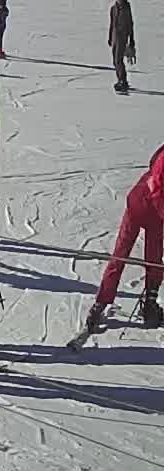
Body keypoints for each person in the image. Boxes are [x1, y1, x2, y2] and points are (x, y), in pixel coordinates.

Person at [80, 144, 164, 336]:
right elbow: (157, 188)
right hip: (143, 206)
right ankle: (102, 304)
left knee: (149, 258)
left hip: (149, 209)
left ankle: (148, 303)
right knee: (124, 255)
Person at [111, 0, 137, 94]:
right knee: (115, 61)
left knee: (118, 59)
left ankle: (123, 80)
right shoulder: (113, 9)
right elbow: (112, 24)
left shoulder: (126, 9)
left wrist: (131, 40)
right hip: (114, 37)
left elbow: (130, 24)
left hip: (123, 37)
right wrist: (110, 37)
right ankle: (120, 80)